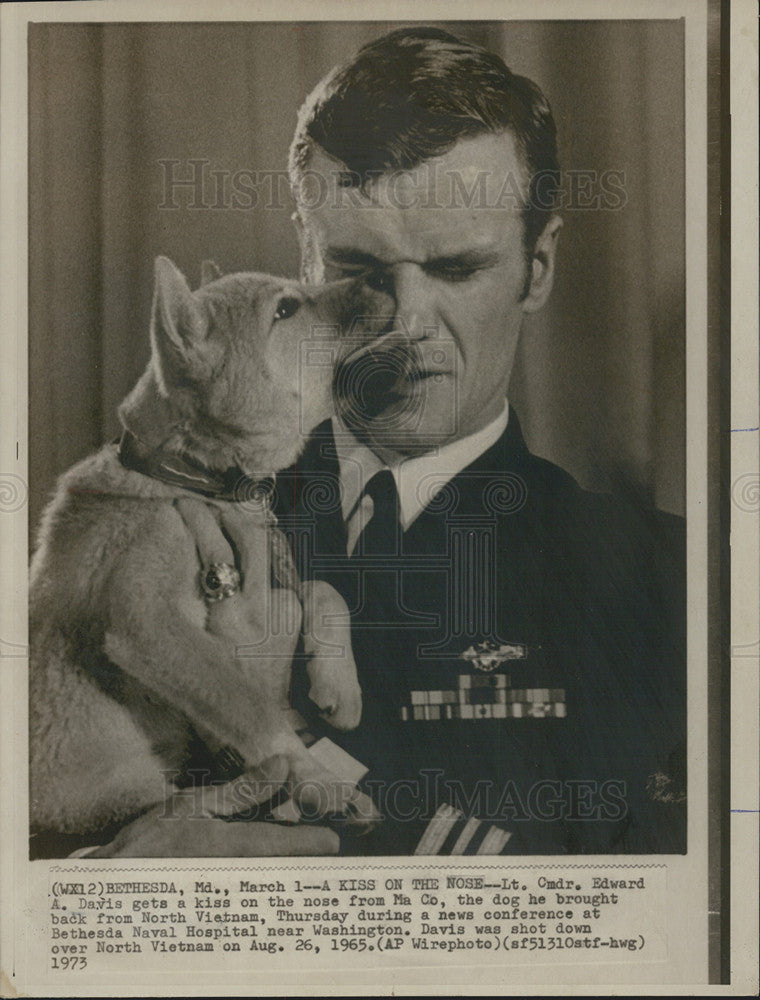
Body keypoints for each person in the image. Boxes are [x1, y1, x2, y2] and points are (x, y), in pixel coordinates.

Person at [91, 26, 686, 858]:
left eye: (454, 270)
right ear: (308, 258)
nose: (403, 325)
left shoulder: (664, 585)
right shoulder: (147, 512)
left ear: (537, 269)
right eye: (360, 270)